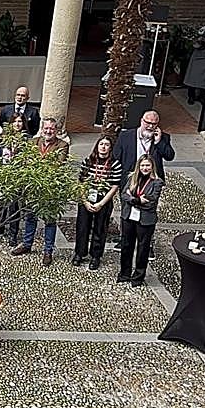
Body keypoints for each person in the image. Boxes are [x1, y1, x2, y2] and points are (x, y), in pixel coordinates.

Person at [11, 118, 70, 266]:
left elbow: (57, 165)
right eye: (46, 129)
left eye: (51, 129)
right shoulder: (33, 142)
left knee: (49, 220)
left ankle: (48, 251)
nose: (48, 131)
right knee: (30, 217)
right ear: (41, 129)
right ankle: (27, 244)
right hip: (33, 187)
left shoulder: (63, 145)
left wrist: (36, 164)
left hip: (50, 190)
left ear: (56, 131)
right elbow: (25, 161)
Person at [73, 135, 123, 269]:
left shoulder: (115, 164)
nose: (103, 147)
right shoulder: (88, 161)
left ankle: (96, 256)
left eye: (107, 145)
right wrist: (84, 201)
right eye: (101, 144)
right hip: (87, 198)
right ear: (97, 146)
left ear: (110, 148)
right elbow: (80, 182)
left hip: (103, 199)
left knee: (100, 229)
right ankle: (79, 253)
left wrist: (101, 203)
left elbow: (114, 186)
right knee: (82, 227)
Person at [118, 155, 163, 286]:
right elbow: (124, 195)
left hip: (145, 220)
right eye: (143, 165)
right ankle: (124, 273)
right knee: (126, 245)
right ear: (139, 166)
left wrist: (132, 199)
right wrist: (137, 200)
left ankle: (138, 277)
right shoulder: (132, 178)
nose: (145, 168)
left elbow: (151, 202)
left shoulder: (157, 182)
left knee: (143, 249)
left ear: (152, 167)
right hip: (129, 217)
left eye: (147, 165)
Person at [112, 110, 175, 182]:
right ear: (142, 121)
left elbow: (170, 156)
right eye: (148, 123)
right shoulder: (125, 136)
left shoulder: (163, 137)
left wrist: (158, 142)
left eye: (154, 124)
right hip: (129, 178)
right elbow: (116, 156)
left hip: (151, 180)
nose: (150, 126)